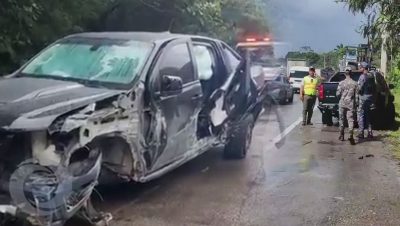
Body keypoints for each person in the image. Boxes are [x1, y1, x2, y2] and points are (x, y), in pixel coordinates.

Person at [337, 67, 358, 145]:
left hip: (342, 103)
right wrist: (356, 105)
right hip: (350, 104)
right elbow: (356, 96)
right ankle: (351, 134)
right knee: (350, 120)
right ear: (351, 73)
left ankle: (341, 135)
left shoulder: (341, 83)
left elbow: (338, 94)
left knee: (341, 119)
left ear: (345, 74)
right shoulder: (355, 83)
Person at [357, 62, 376, 139]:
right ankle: (370, 132)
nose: (360, 68)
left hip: (363, 98)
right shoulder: (371, 76)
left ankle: (361, 133)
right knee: (369, 115)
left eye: (360, 67)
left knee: (361, 115)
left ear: (363, 68)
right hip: (370, 98)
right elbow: (374, 87)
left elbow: (360, 88)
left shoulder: (362, 77)